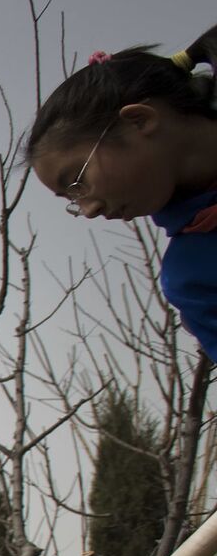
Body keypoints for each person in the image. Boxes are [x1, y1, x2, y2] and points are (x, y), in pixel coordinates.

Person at [26, 31, 217, 363]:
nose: (88, 210)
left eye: (77, 182)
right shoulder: (194, 276)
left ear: (138, 120)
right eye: (73, 200)